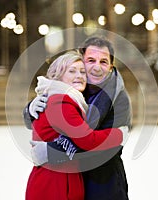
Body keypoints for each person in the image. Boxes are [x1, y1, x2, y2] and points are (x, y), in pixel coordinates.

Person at [24, 36, 132, 200]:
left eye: (103, 62)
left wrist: (51, 152)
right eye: (90, 60)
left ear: (111, 66)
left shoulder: (118, 99)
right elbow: (47, 116)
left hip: (102, 182)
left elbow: (100, 148)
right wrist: (30, 109)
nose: (96, 67)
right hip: (67, 180)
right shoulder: (75, 92)